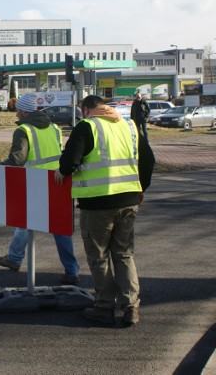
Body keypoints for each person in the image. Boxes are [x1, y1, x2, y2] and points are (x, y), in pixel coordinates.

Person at [57, 95, 155, 325]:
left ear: (86, 109)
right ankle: (131, 306)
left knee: (99, 256)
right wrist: (141, 188)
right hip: (129, 200)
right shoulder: (129, 126)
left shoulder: (87, 126)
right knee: (124, 254)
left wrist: (64, 170)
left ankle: (103, 306)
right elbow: (148, 160)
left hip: (98, 204)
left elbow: (69, 162)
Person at [0, 93, 80, 285]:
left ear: (24, 111)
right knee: (60, 228)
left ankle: (14, 259)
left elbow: (17, 161)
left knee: (25, 223)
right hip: (58, 181)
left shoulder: (24, 130)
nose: (16, 114)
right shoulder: (55, 128)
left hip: (34, 182)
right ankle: (72, 271)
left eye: (18, 110)